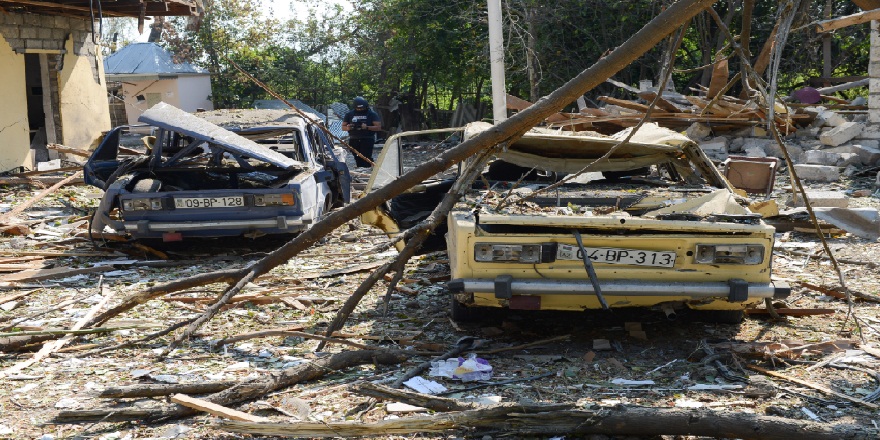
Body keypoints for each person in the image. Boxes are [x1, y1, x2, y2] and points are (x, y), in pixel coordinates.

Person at [342, 96, 382, 167]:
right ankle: (360, 169)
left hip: (367, 138)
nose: (360, 109)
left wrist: (367, 127)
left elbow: (378, 127)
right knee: (357, 157)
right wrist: (349, 127)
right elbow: (343, 127)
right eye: (358, 108)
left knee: (366, 156)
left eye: (362, 108)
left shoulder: (372, 114)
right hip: (354, 138)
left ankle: (368, 168)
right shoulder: (349, 114)